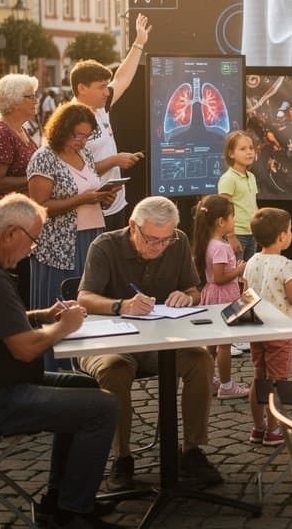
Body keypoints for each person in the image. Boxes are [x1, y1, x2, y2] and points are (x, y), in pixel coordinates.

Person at [0, 194, 119, 529]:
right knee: (103, 408)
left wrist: (41, 315)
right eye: (33, 239)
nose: (34, 249)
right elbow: (26, 349)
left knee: (86, 386)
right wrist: (63, 326)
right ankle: (73, 514)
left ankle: (59, 499)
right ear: (11, 233)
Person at [76, 196, 220, 491]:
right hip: (111, 341)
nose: (159, 247)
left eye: (165, 240)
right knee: (114, 368)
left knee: (201, 360)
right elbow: (84, 298)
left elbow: (194, 290)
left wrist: (187, 297)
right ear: (132, 226)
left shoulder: (177, 241)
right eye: (152, 239)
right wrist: (121, 306)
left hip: (161, 341)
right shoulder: (105, 246)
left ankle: (191, 451)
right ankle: (122, 457)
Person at [27, 103, 117, 317]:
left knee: (90, 295)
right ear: (62, 129)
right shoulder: (44, 158)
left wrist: (104, 199)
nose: (82, 141)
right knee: (63, 300)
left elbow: (90, 190)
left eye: (87, 136)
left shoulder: (84, 154)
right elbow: (39, 206)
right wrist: (81, 200)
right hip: (61, 243)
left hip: (92, 235)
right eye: (78, 135)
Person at [242, 207, 292, 445]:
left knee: (258, 377)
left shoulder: (251, 262)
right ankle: (274, 430)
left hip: (257, 330)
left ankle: (258, 428)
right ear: (282, 236)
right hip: (280, 332)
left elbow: (245, 295)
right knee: (277, 381)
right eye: (290, 229)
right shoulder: (287, 265)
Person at [69, 13, 151, 231]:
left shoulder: (101, 107)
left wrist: (138, 43)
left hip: (115, 205)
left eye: (107, 86)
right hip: (92, 210)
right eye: (101, 87)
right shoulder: (69, 121)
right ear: (82, 88)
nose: (107, 92)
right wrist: (115, 161)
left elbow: (122, 78)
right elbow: (70, 171)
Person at [191, 194, 249, 400]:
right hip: (222, 297)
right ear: (221, 221)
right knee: (225, 343)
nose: (234, 221)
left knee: (213, 343)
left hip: (212, 295)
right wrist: (239, 270)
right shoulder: (222, 247)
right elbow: (219, 277)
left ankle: (209, 379)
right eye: (232, 217)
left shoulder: (207, 242)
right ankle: (226, 384)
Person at [0, 74, 41, 227]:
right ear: (14, 101)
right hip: (4, 219)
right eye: (31, 96)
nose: (36, 100)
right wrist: (37, 180)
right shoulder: (2, 133)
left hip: (17, 213)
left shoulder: (18, 128)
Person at [217, 130, 259, 261]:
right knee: (234, 274)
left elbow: (253, 205)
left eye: (251, 148)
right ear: (231, 153)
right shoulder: (228, 178)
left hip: (252, 233)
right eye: (243, 149)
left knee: (247, 275)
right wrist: (231, 236)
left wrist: (258, 228)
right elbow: (223, 209)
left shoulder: (251, 177)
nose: (249, 152)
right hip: (237, 234)